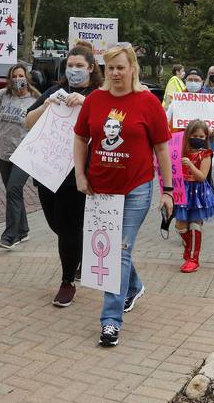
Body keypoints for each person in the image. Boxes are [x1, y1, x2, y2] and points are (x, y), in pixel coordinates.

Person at [73, 43, 173, 347]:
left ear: (133, 68)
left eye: (121, 67)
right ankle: (134, 286)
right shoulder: (95, 100)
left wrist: (168, 190)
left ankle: (110, 322)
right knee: (114, 250)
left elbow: (162, 149)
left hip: (136, 188)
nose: (116, 73)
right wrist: (80, 174)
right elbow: (80, 137)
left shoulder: (147, 102)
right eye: (111, 68)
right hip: (100, 189)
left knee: (117, 251)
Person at [25, 45, 103, 308]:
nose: (74, 70)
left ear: (91, 68)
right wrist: (45, 106)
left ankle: (67, 280)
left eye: (80, 65)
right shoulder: (54, 92)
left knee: (68, 229)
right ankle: (77, 254)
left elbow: (109, 124)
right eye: (70, 65)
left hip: (76, 174)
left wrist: (87, 103)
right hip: (48, 170)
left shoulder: (99, 95)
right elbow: (28, 121)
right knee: (56, 225)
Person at [0, 63, 40, 249]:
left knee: (13, 189)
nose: (18, 79)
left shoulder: (36, 99)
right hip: (3, 153)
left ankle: (10, 235)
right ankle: (23, 230)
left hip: (25, 154)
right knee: (13, 192)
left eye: (21, 75)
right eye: (14, 76)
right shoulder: (4, 95)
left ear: (27, 77)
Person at [174, 119, 214, 273]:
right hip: (182, 191)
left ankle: (194, 259)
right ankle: (189, 249)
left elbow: (202, 176)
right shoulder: (181, 151)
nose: (198, 139)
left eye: (202, 137)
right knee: (180, 225)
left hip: (198, 193)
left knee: (194, 224)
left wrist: (190, 165)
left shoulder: (205, 154)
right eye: (195, 136)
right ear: (188, 135)